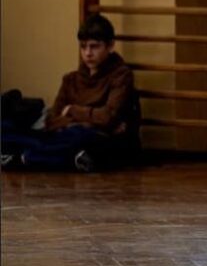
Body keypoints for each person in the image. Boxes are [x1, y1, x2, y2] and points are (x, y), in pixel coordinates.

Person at [0, 13, 140, 173]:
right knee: (6, 128)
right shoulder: (70, 79)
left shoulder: (121, 75)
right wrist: (84, 122)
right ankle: (65, 158)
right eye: (83, 46)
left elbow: (108, 117)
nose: (88, 53)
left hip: (96, 138)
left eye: (94, 46)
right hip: (64, 135)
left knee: (82, 137)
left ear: (110, 46)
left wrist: (72, 111)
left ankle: (25, 158)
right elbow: (52, 120)